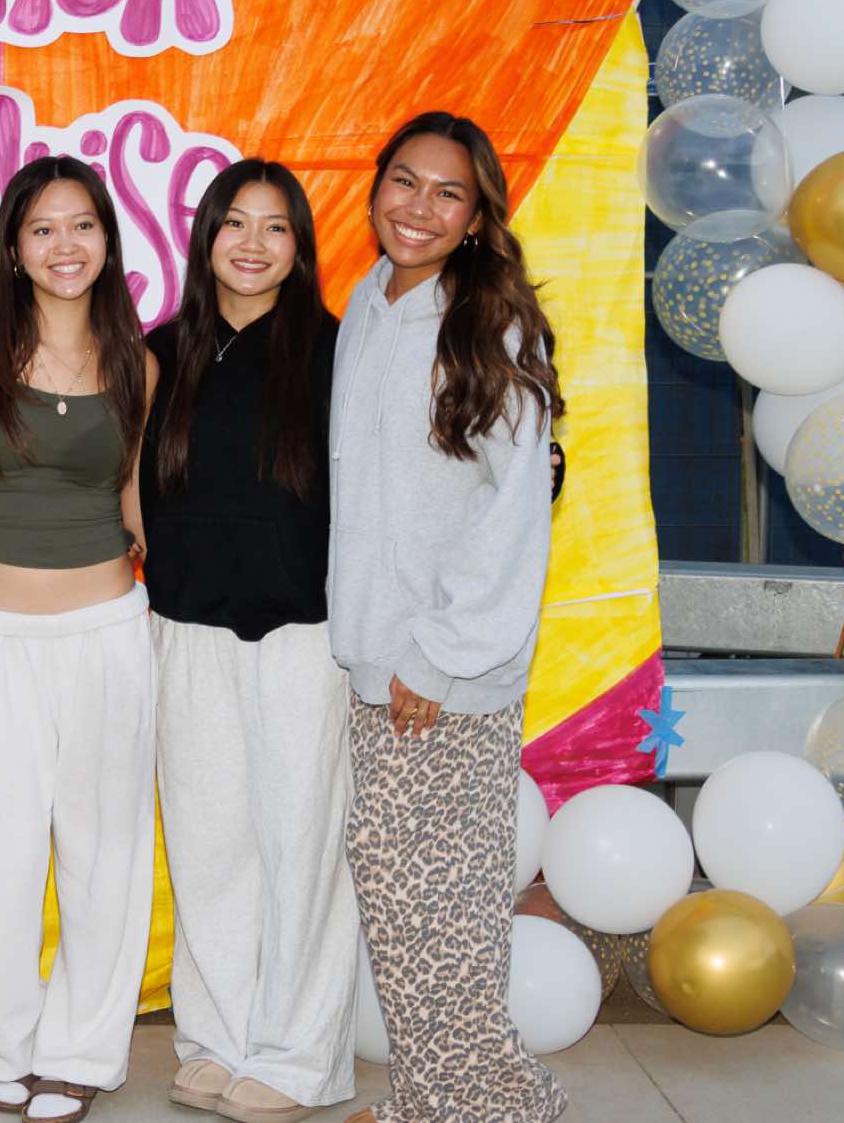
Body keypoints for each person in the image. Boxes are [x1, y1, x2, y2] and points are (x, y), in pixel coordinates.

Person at [328, 113, 567, 1123]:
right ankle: (458, 1100)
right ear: (376, 186)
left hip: (443, 674)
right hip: (377, 661)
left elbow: (511, 513)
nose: (418, 207)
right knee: (402, 902)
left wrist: (437, 657)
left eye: (447, 193)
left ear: (476, 218)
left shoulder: (489, 326)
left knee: (444, 911)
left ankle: (482, 1104)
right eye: (404, 181)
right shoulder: (368, 302)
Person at [0, 155, 159, 1123]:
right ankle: (4, 1046)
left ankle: (82, 1050)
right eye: (42, 229)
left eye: (82, 226)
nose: (65, 245)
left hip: (107, 632)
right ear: (15, 249)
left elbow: (133, 498)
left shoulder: (138, 362)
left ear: (107, 240)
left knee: (105, 853)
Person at [131, 160, 356, 1123]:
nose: (253, 244)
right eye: (235, 223)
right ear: (206, 236)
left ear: (300, 246)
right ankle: (217, 1039)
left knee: (301, 844)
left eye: (275, 226)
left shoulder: (340, 350)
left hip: (309, 634)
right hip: (185, 627)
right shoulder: (160, 351)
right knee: (209, 841)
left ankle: (300, 1058)